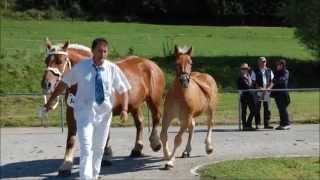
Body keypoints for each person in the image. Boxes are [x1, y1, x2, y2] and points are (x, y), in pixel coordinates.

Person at [44, 38, 131, 179]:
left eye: (105, 51)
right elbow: (64, 83)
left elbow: (124, 89)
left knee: (99, 149)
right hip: (85, 113)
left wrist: (125, 109)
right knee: (86, 147)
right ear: (92, 51)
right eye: (99, 51)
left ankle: (94, 175)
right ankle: (86, 177)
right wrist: (51, 100)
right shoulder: (81, 67)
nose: (102, 54)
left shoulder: (112, 68)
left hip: (104, 115)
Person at [251, 57, 274, 129]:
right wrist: (259, 88)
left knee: (267, 108)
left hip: (267, 92)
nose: (263, 63)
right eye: (262, 62)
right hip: (258, 92)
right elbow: (253, 81)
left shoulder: (269, 70)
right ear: (258, 63)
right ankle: (257, 124)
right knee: (257, 108)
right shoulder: (255, 71)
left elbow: (272, 81)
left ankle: (266, 124)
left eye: (264, 62)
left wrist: (269, 88)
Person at [272, 59, 291, 130]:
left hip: (283, 93)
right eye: (277, 65)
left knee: (283, 108)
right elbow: (273, 80)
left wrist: (275, 81)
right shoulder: (276, 73)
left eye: (279, 64)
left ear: (282, 65)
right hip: (277, 93)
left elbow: (283, 80)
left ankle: (287, 124)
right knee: (280, 109)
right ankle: (282, 124)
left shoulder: (286, 72)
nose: (277, 66)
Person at [237, 63, 256, 131]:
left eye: (246, 69)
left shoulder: (250, 76)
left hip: (251, 96)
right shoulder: (240, 78)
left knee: (254, 110)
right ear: (241, 70)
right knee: (244, 112)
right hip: (244, 97)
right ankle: (245, 126)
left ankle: (248, 124)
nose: (244, 70)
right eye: (243, 69)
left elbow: (252, 85)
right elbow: (245, 86)